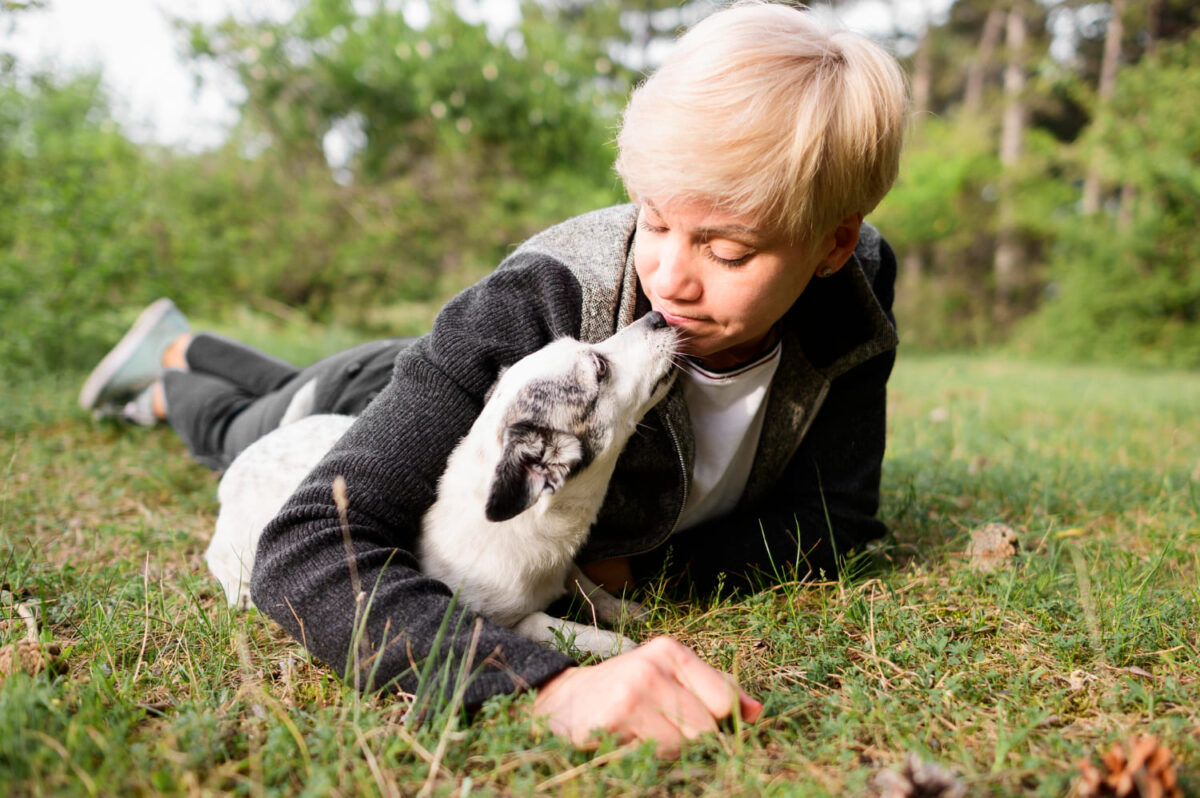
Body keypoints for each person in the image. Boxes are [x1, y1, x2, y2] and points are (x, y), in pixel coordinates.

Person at [81, 2, 907, 755]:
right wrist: (540, 683)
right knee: (251, 425)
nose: (669, 280)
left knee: (288, 386)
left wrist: (641, 572)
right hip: (363, 400)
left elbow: (835, 516)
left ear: (833, 246)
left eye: (726, 251)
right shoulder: (530, 305)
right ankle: (165, 380)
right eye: (652, 218)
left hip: (414, 377)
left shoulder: (857, 288)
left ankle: (190, 346)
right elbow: (305, 550)